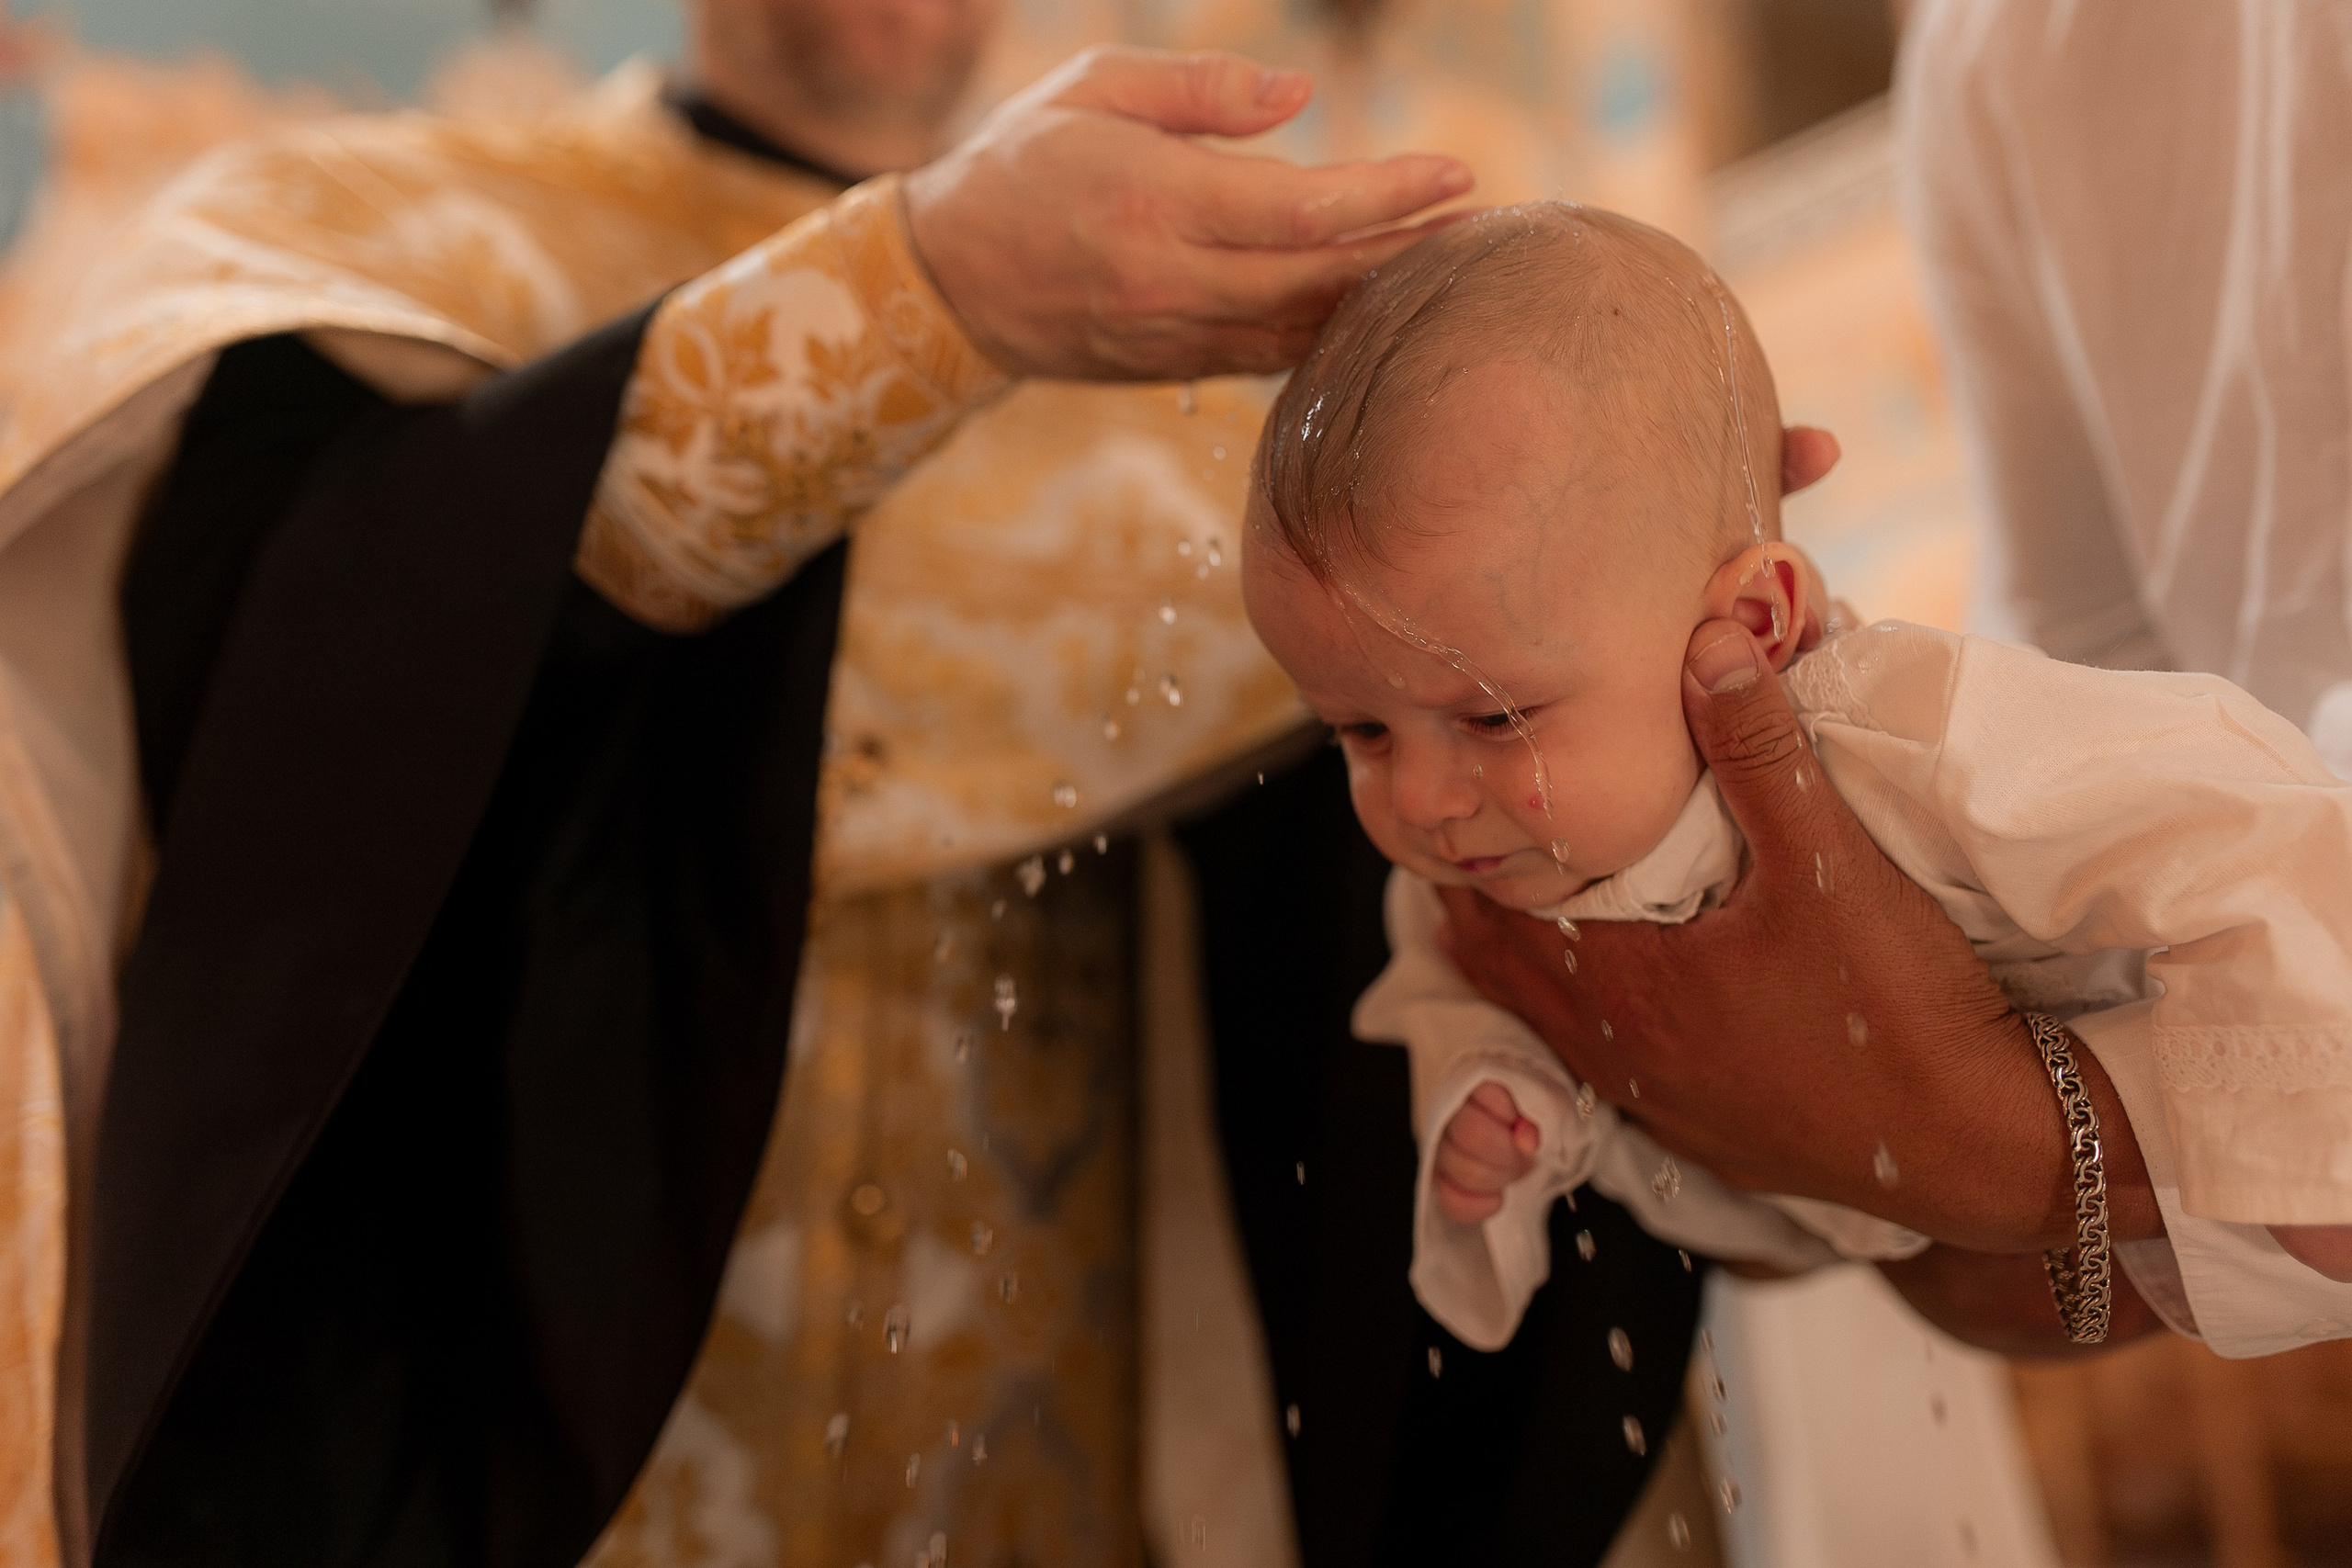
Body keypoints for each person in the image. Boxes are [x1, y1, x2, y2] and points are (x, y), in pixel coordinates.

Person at [0, 5, 1727, 1566]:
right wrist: (927, 300)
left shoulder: (1224, 334)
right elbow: (329, 681)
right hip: (539, 1455)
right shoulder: (389, 244)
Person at [1239, 200, 2352, 1355]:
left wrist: (2310, 1124)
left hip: (2133, 1169)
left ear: (1758, 622)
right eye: (1358, 734)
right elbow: (1446, 994)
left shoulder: (1892, 734)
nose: (1419, 798)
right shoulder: (1472, 877)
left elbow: (2225, 817)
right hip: (1863, 1244)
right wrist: (1495, 1096)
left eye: (1492, 714)